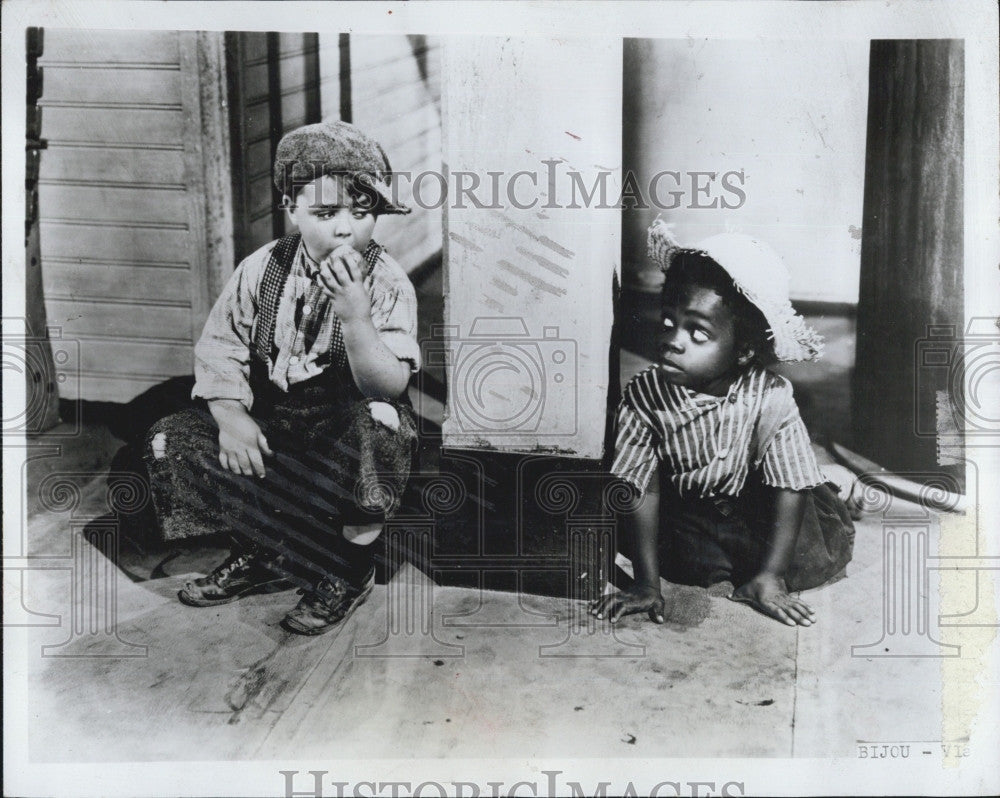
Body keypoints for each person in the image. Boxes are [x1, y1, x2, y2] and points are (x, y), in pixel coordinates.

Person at [144, 120, 420, 635]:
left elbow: (388, 387)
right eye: (324, 213)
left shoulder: (387, 282)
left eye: (361, 214)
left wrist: (356, 316)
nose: (344, 229)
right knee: (171, 438)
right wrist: (230, 418)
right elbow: (219, 349)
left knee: (381, 426)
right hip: (275, 424)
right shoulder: (260, 269)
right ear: (292, 209)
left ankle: (348, 568)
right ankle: (260, 549)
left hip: (342, 425)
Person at [592, 220, 854, 627]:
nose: (672, 340)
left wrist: (771, 576)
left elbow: (788, 487)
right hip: (692, 509)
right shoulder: (645, 394)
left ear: (745, 350)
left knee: (812, 545)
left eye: (697, 332)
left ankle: (834, 483)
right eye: (668, 322)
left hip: (761, 503)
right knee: (682, 562)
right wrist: (647, 583)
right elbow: (643, 487)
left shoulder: (770, 396)